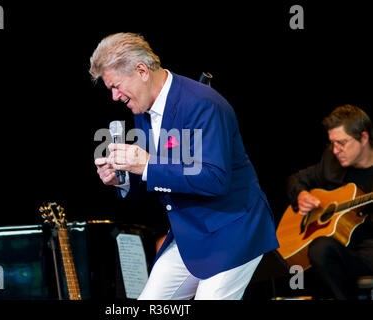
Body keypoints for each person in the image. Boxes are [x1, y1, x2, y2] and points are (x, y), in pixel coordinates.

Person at [90, 32, 278, 300]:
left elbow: (214, 178)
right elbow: (158, 178)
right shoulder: (143, 110)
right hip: (192, 234)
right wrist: (121, 178)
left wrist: (146, 164)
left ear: (141, 70)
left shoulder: (203, 104)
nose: (115, 96)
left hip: (232, 229)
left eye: (116, 86)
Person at [286, 104, 373, 300]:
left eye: (341, 143)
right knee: (308, 258)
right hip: (336, 251)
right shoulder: (331, 162)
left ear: (364, 138)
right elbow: (296, 179)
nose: (335, 150)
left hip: (367, 253)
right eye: (332, 143)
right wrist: (301, 195)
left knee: (321, 250)